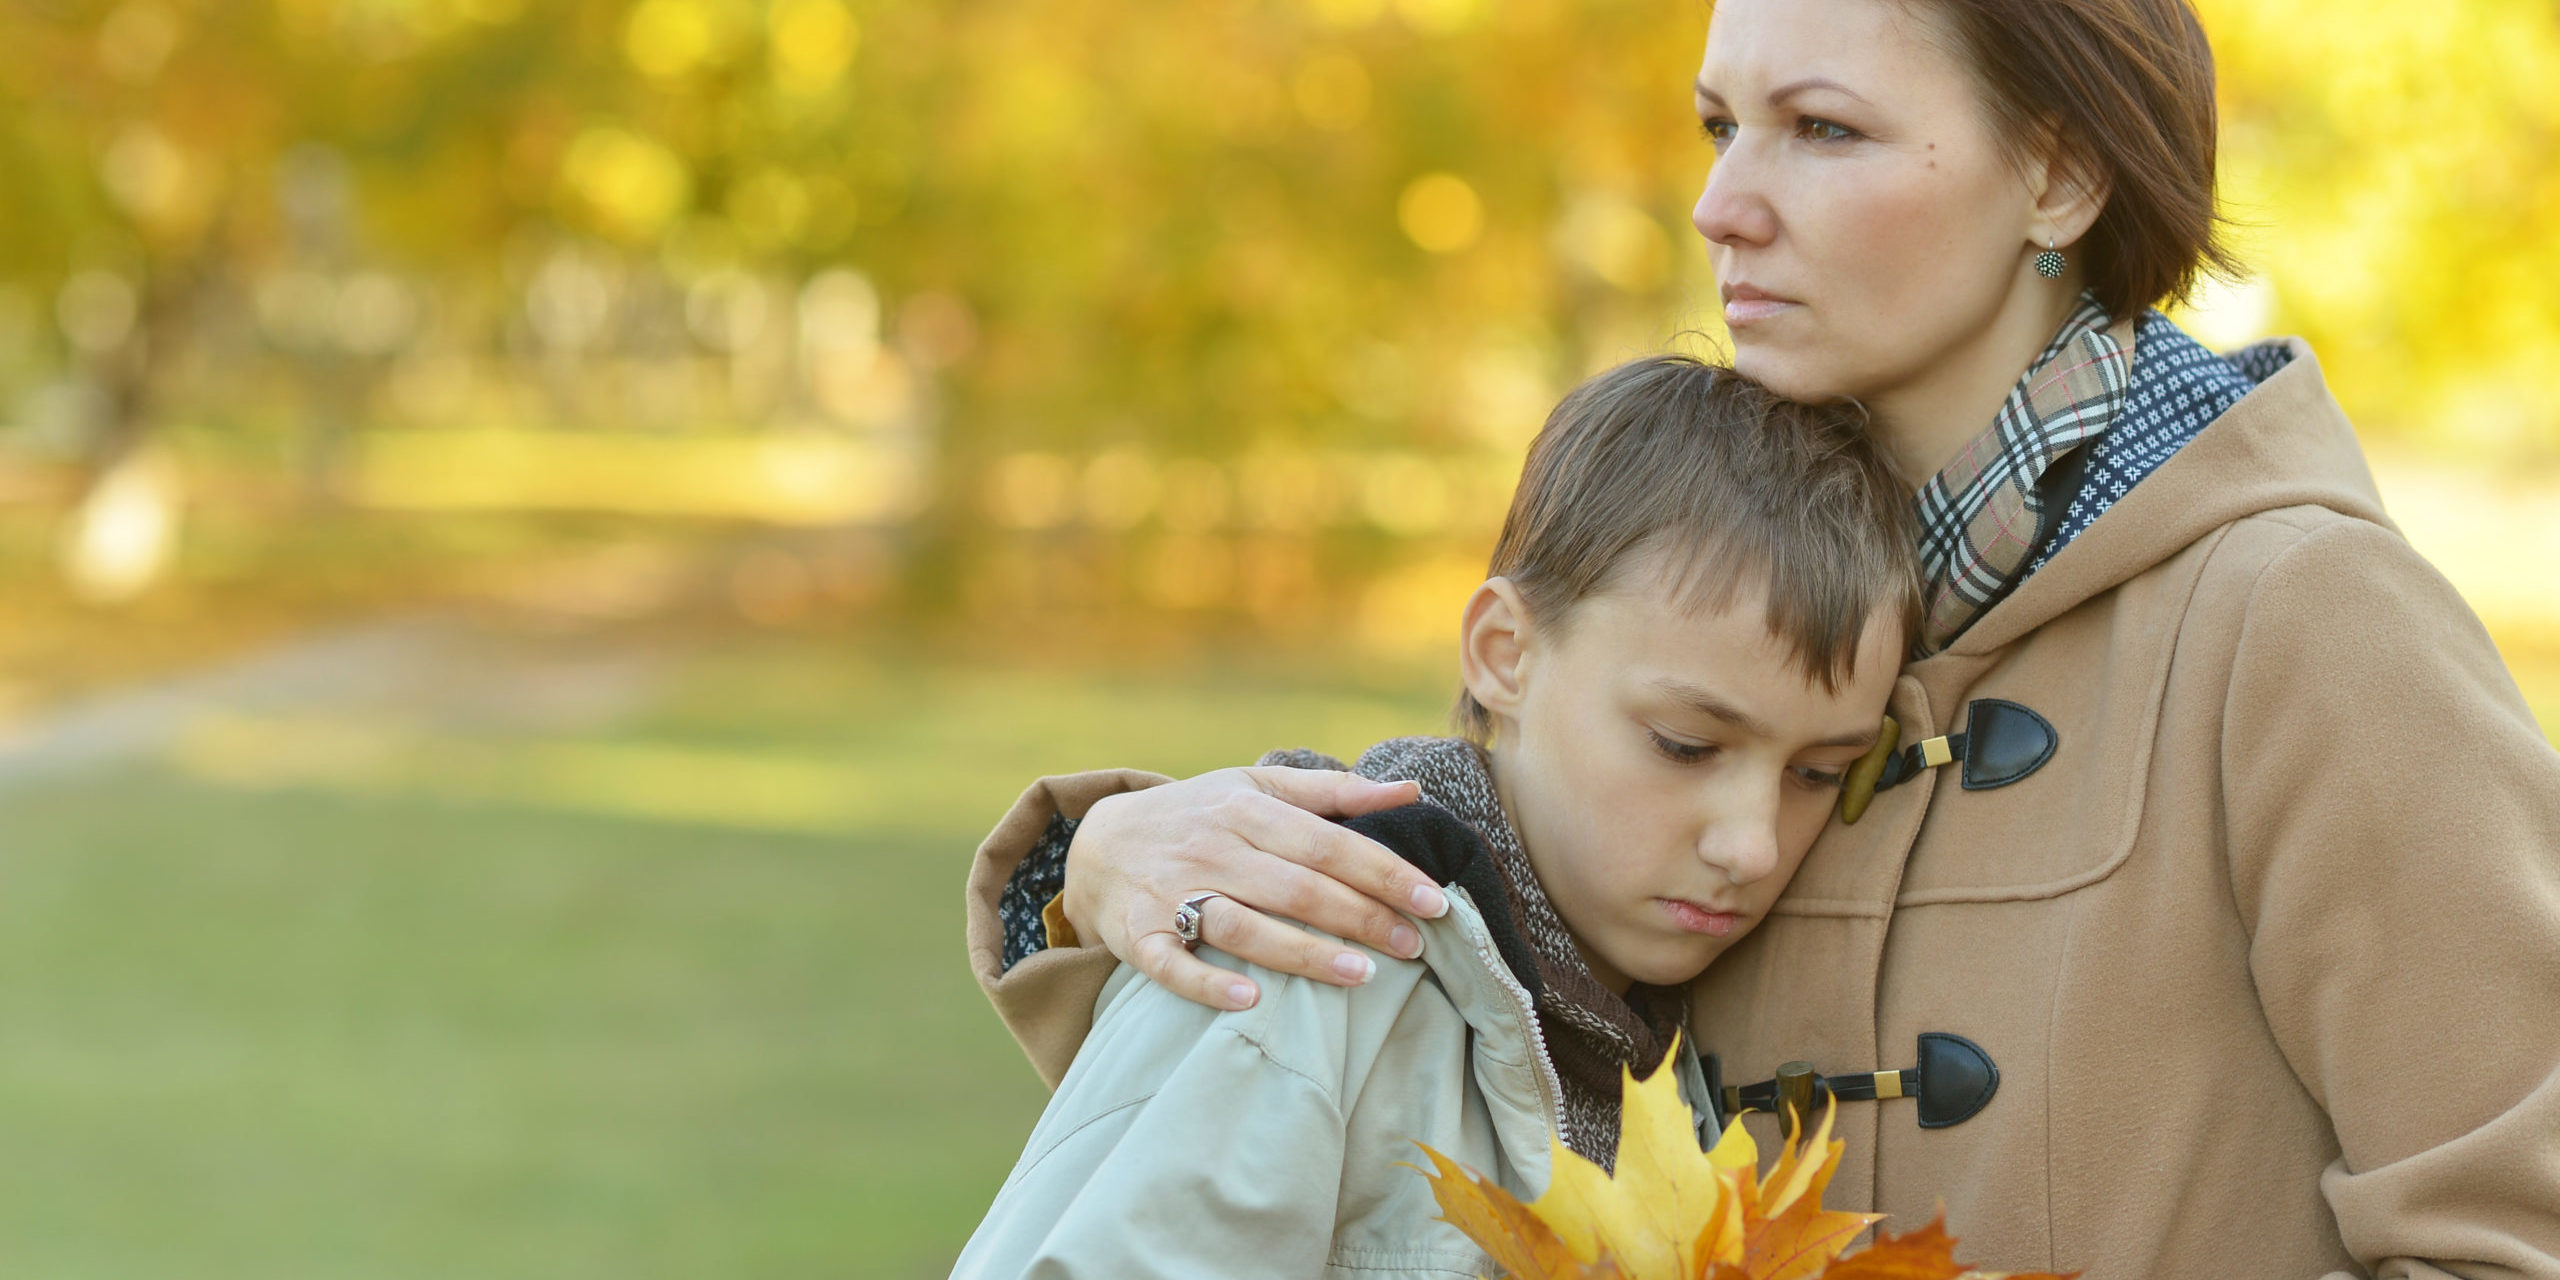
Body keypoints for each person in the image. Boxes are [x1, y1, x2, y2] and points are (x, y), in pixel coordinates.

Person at [963, 0, 2560, 1275]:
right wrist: (1107, 863)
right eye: (1723, 127)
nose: (1724, 205)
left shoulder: (2303, 624)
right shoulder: (1741, 585)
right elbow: (1412, 1041)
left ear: (2062, 176)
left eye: (1823, 129)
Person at [953, 357, 1916, 1279]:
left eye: (1821, 772)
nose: (1752, 845)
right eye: (1684, 745)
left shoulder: (1678, 1037)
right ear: (1503, 655)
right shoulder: (1300, 962)